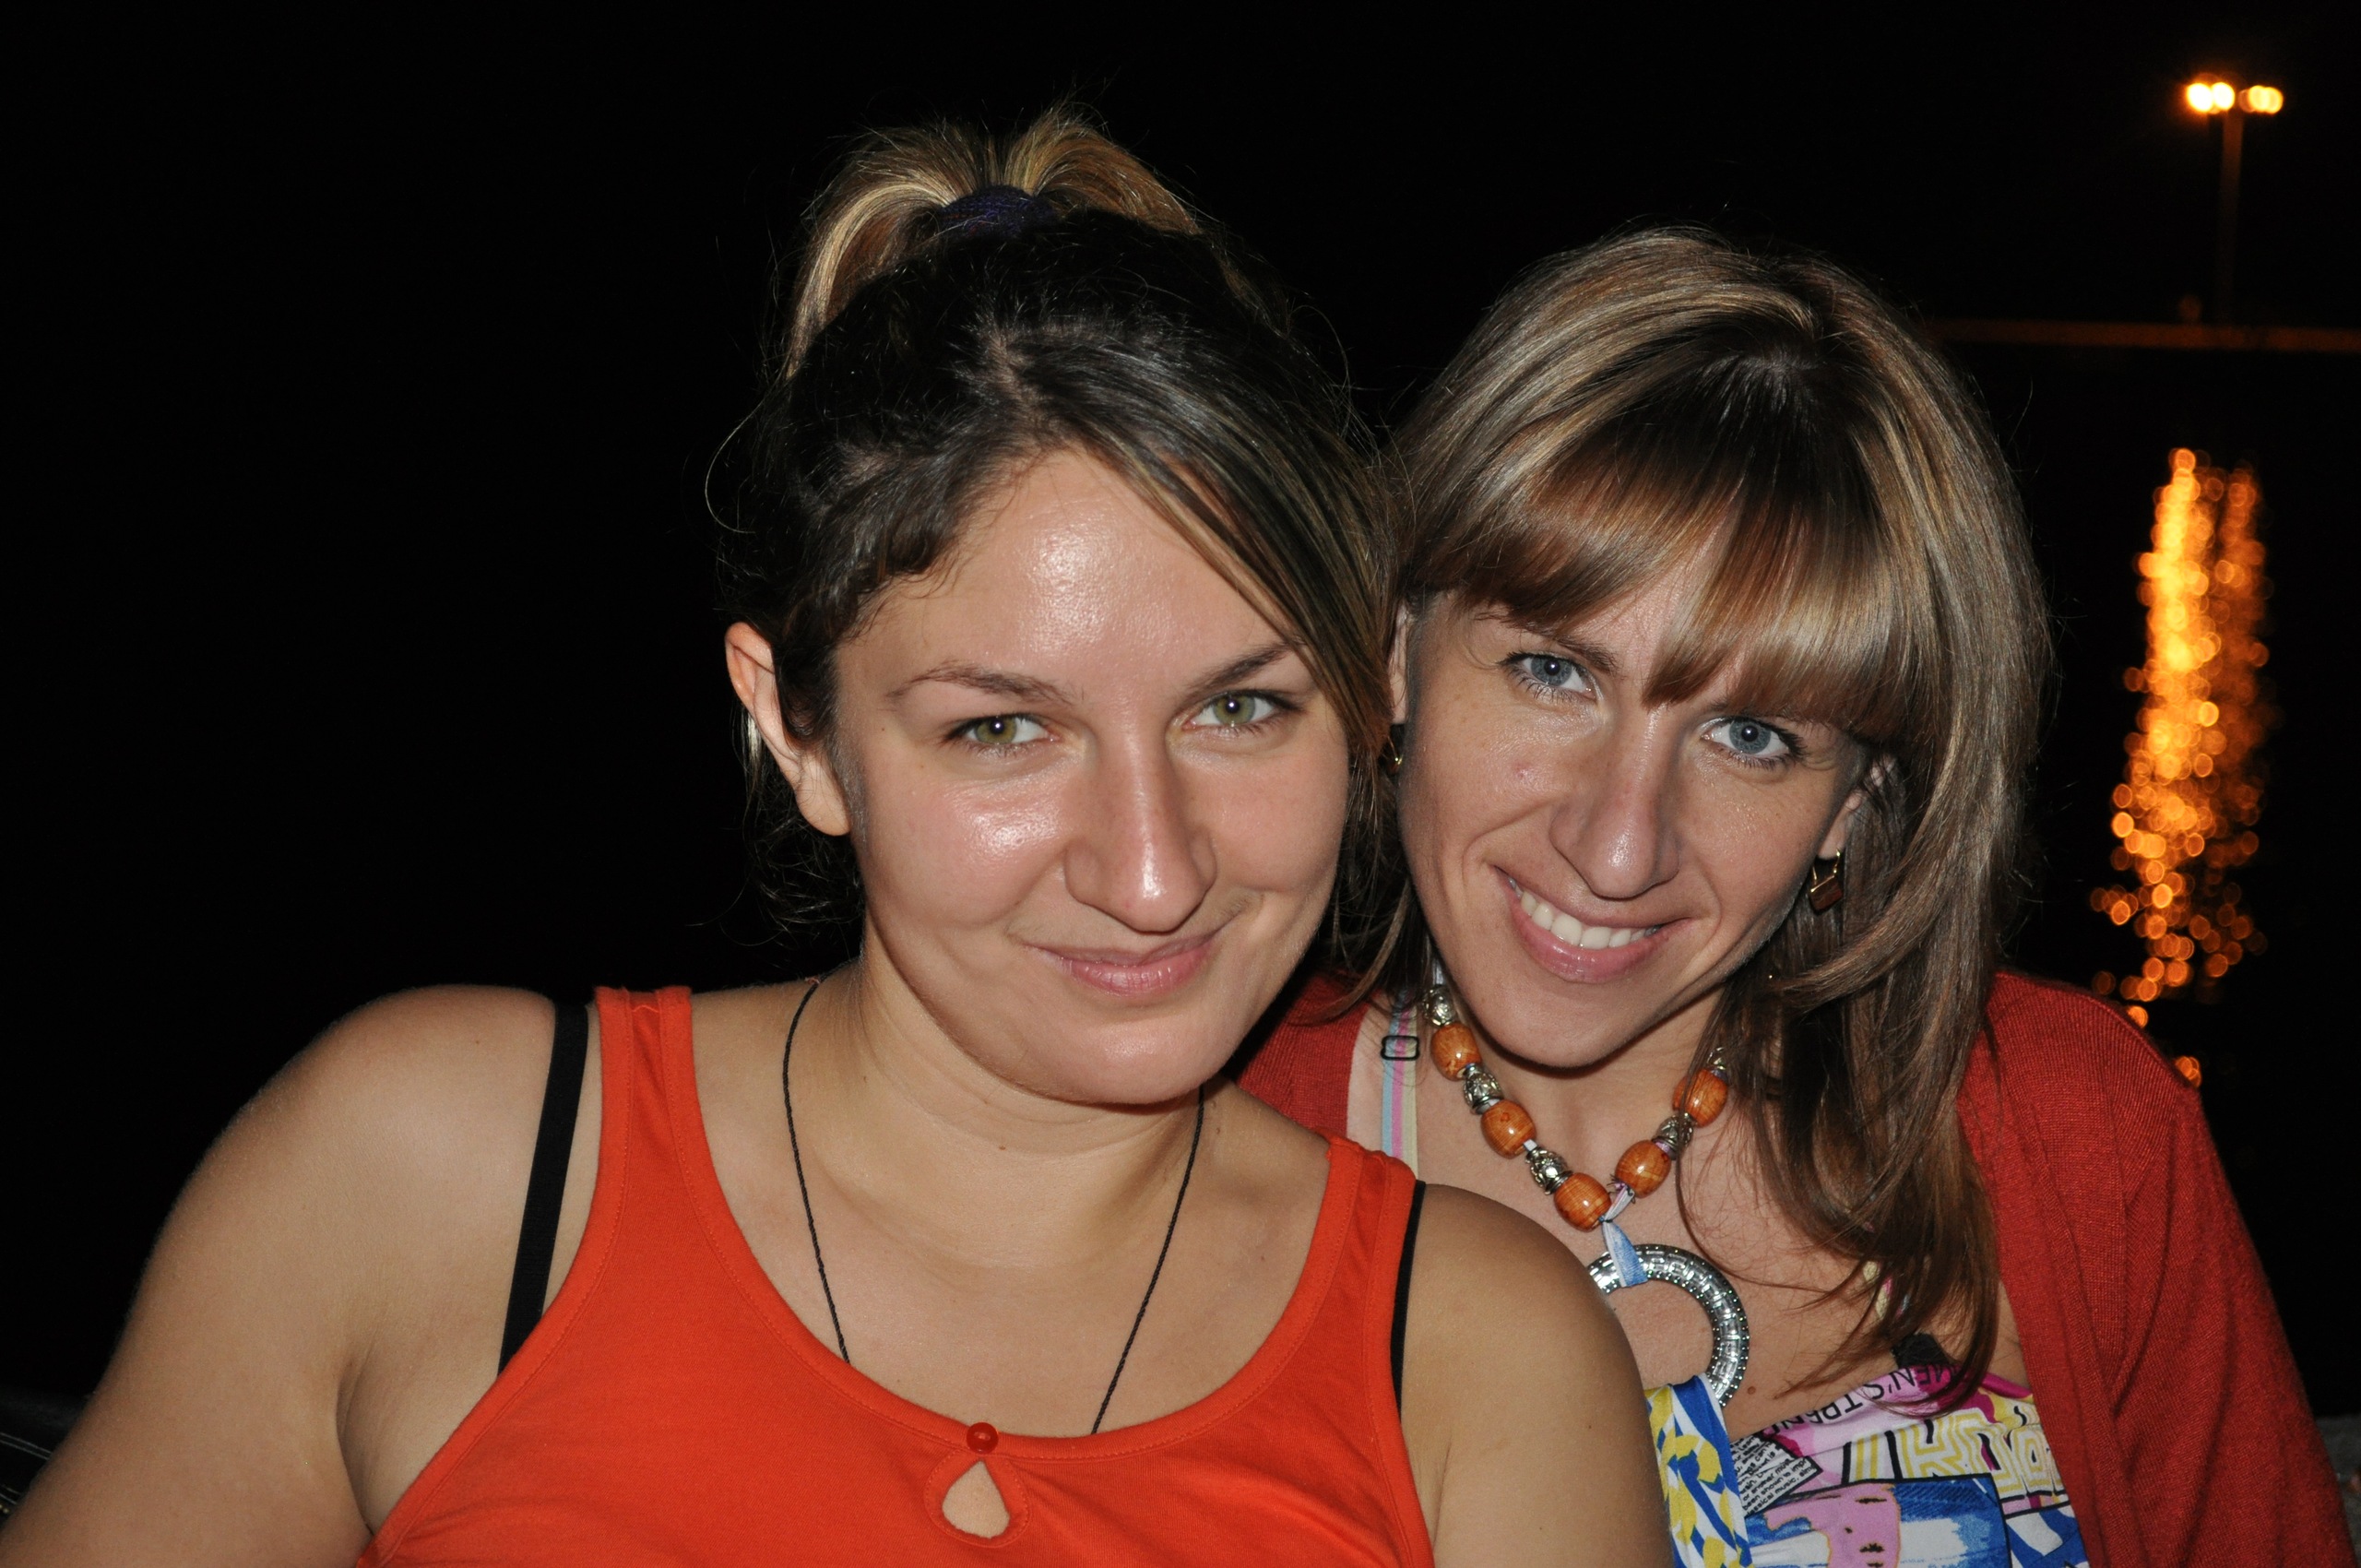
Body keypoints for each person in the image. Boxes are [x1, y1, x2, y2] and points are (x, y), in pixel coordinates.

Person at [2, 114, 1669, 1566]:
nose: (1153, 871)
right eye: (1001, 730)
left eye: (1241, 709)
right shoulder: (444, 1176)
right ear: (796, 728)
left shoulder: (1482, 1365)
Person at [1240, 229, 2353, 1567]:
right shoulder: (1200, 1142)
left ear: (1857, 799)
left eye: (1752, 736)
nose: (1618, 848)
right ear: (1398, 652)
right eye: (1554, 672)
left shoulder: (2079, 1137)